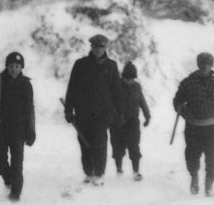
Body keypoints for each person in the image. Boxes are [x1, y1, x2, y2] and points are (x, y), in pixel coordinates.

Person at [63, 34, 124, 186]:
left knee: (100, 143)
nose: (98, 49)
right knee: (84, 142)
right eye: (95, 46)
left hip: (103, 113)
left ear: (105, 48)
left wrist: (120, 112)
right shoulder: (80, 64)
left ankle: (99, 173)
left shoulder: (111, 66)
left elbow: (116, 90)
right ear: (91, 47)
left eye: (101, 46)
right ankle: (88, 172)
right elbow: (72, 88)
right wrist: (68, 110)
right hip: (83, 112)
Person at [0, 51, 36, 202]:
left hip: (18, 129)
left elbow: (30, 109)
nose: (14, 69)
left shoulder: (26, 85)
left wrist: (31, 131)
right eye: (11, 65)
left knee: (17, 164)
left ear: (21, 67)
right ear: (7, 66)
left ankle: (15, 195)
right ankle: (8, 178)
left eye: (17, 66)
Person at [173, 52, 214, 196]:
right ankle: (194, 176)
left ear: (211, 65)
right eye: (202, 63)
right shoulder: (187, 82)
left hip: (211, 127)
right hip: (193, 127)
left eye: (208, 64)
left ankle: (209, 185)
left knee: (212, 158)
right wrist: (185, 113)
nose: (205, 66)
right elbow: (177, 101)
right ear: (198, 64)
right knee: (192, 156)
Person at [111, 61, 151, 181]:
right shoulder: (116, 86)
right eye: (126, 78)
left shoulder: (137, 87)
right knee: (118, 146)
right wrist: (115, 116)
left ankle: (136, 171)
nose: (129, 80)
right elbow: (110, 103)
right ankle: (119, 169)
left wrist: (147, 116)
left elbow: (142, 101)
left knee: (134, 146)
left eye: (131, 78)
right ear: (123, 77)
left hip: (133, 121)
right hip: (117, 122)